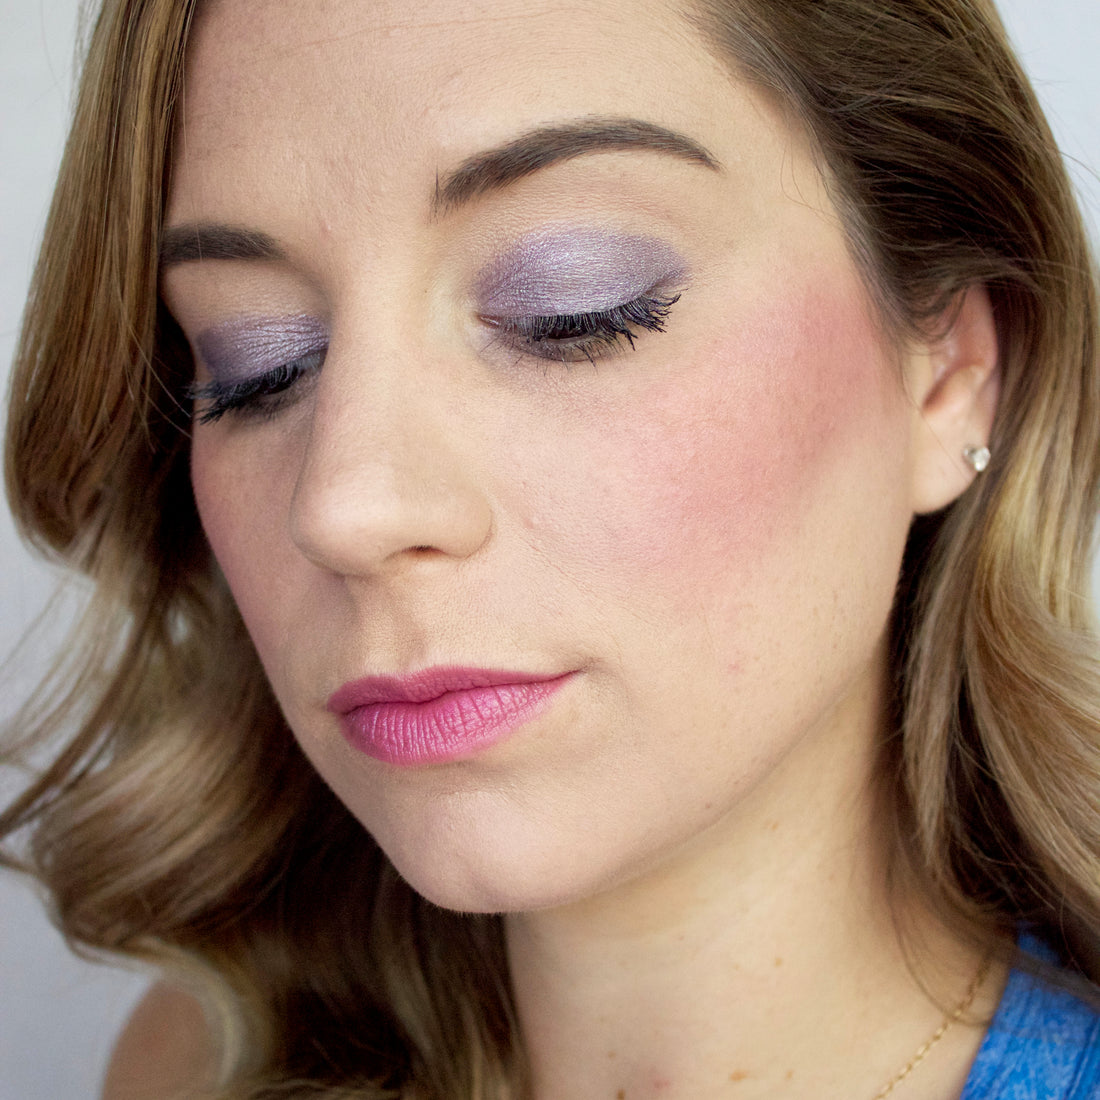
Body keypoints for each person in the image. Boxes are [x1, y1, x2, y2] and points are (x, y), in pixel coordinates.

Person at [2, 0, 1098, 1097]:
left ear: (949, 370)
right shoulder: (203, 1064)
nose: (344, 505)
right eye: (259, 361)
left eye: (570, 305)